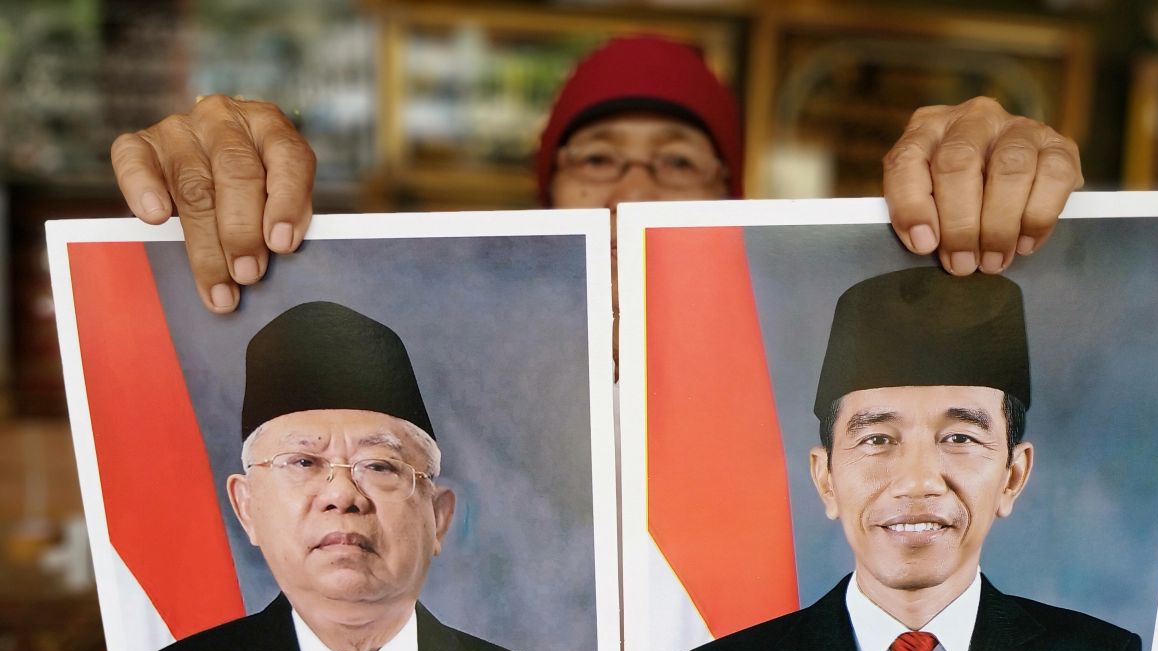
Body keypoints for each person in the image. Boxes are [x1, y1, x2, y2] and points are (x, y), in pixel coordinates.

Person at [109, 36, 1084, 313]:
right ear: (548, 187)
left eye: (676, 161)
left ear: (724, 196)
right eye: (599, 158)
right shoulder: (453, 319)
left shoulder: (804, 334)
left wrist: (991, 176)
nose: (633, 189)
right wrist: (218, 178)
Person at [647, 266, 1144, 651]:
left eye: (959, 436)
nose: (918, 481)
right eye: (879, 438)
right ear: (826, 477)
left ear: (1013, 475)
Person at [139, 301, 603, 651]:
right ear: (246, 506)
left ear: (438, 516)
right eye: (303, 462)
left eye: (380, 466)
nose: (343, 495)